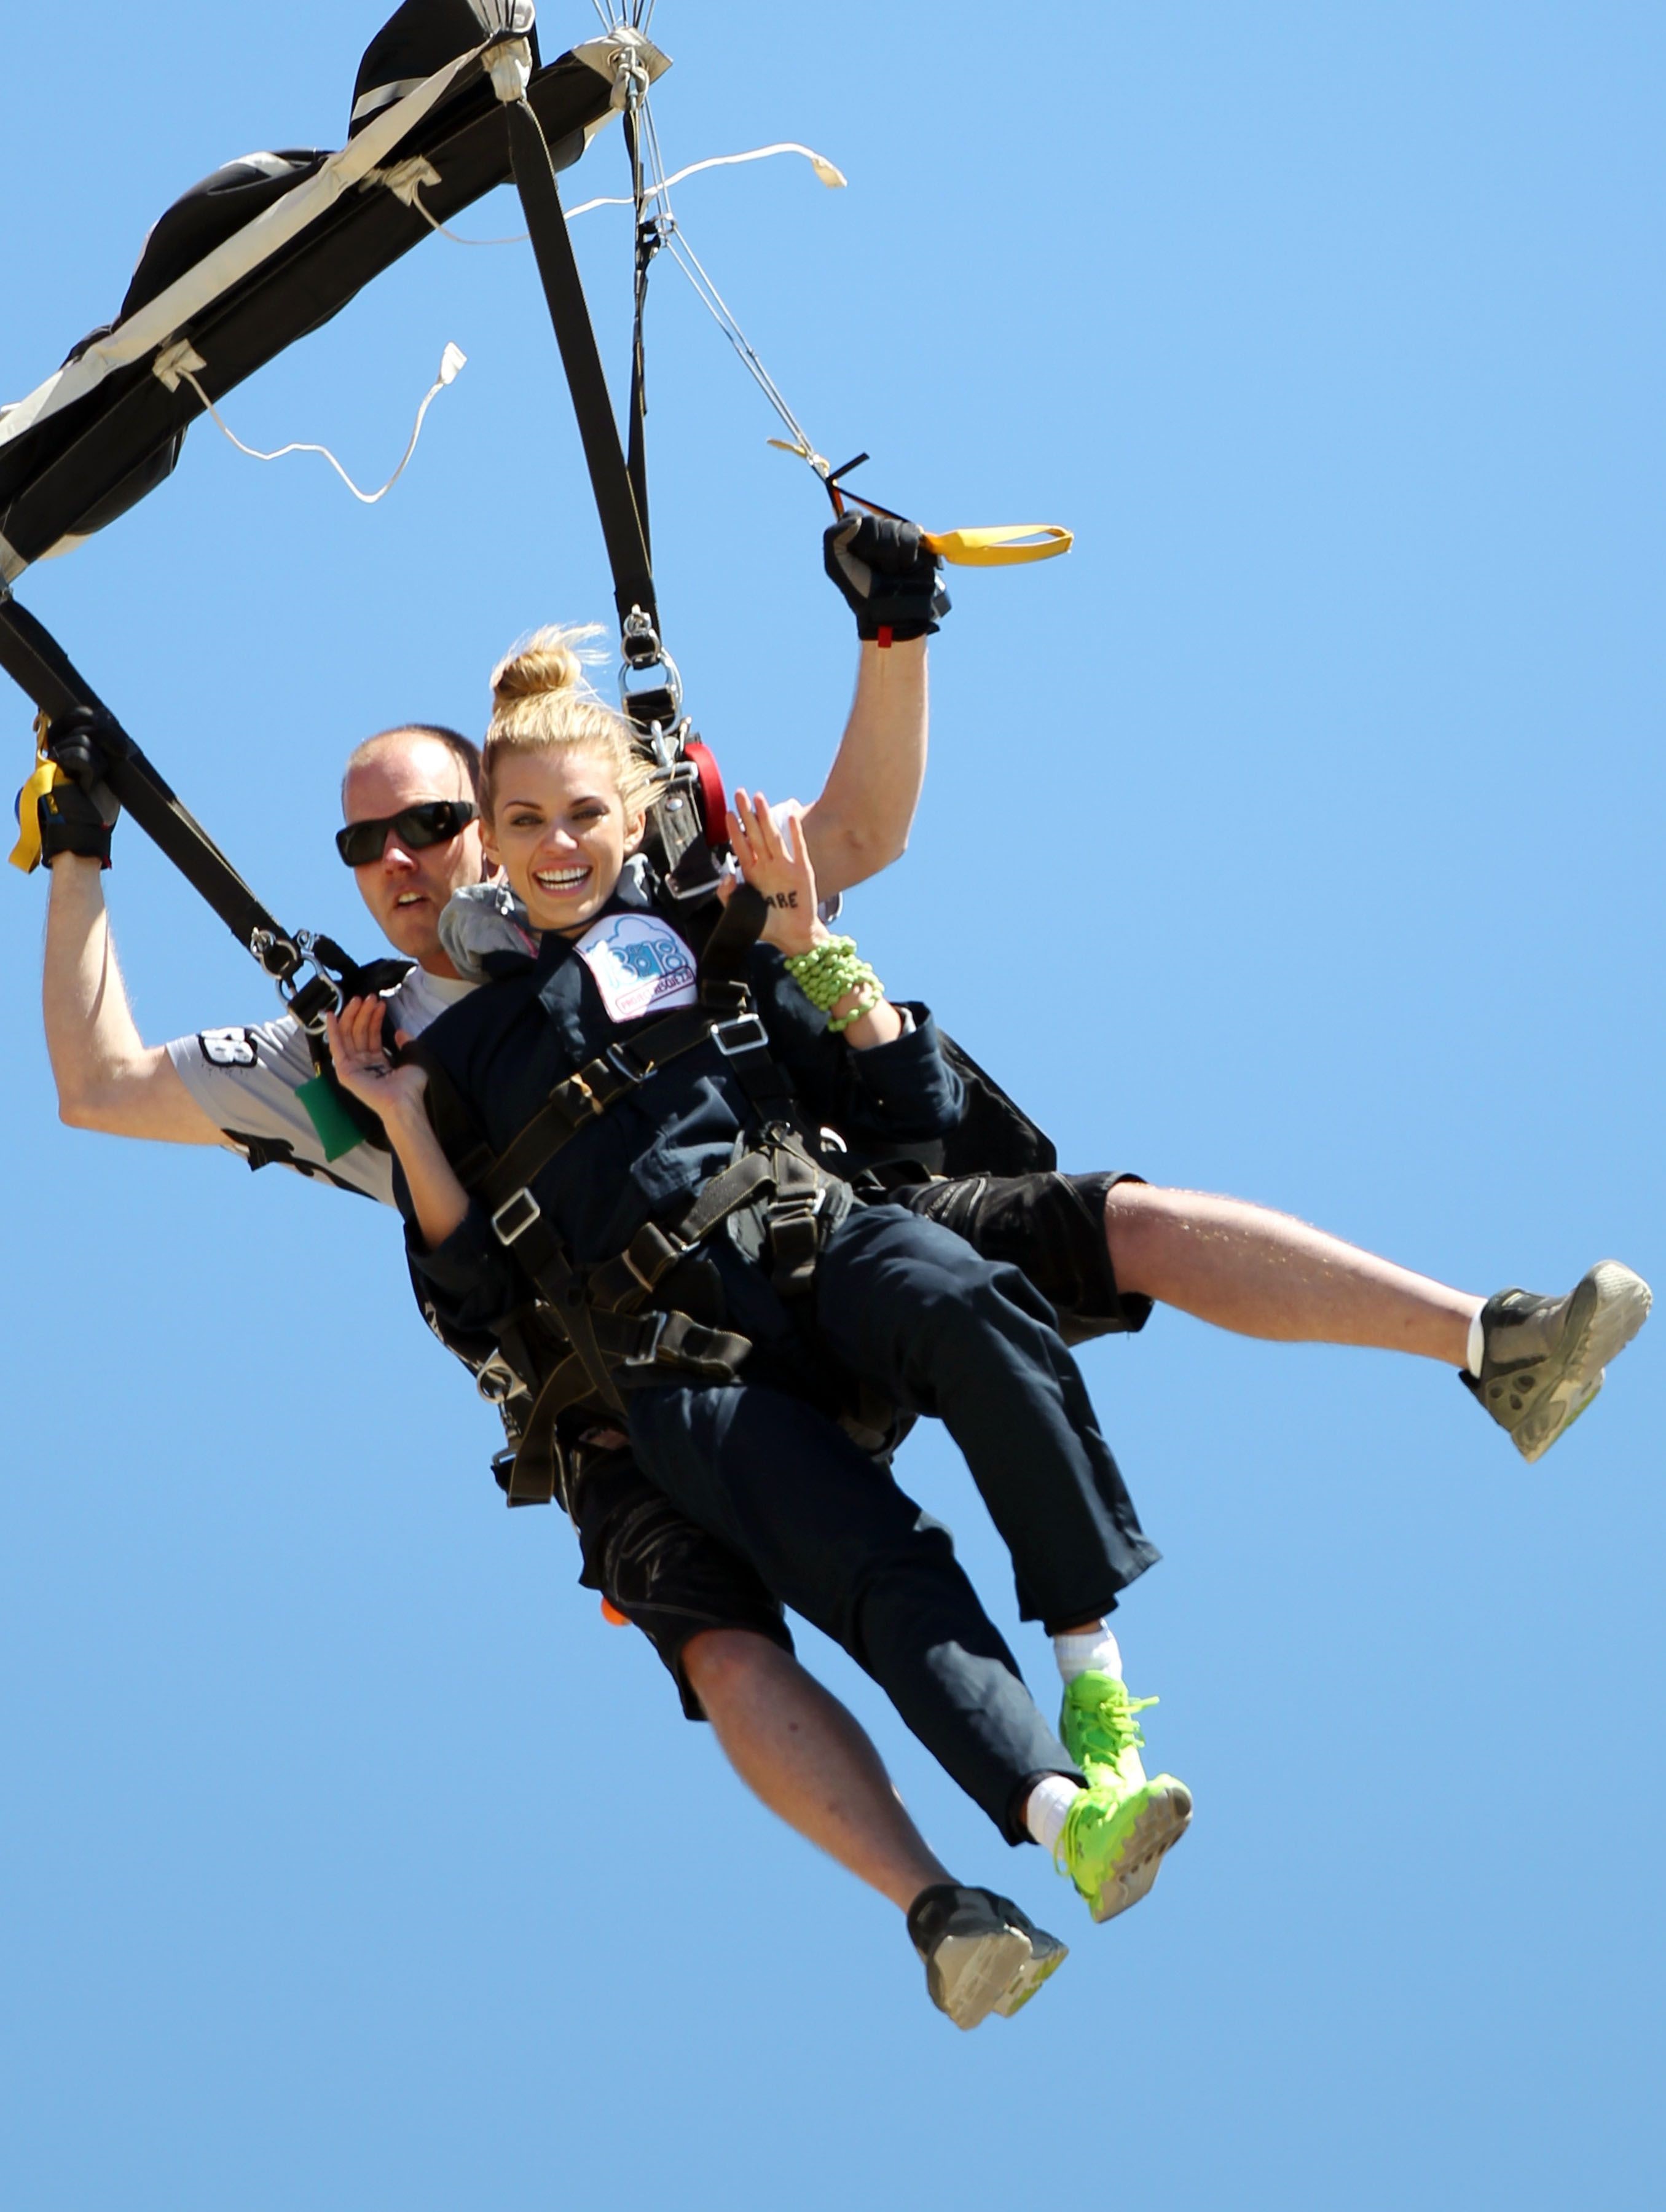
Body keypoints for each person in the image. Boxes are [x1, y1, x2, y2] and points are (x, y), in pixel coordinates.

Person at [31, 519, 1651, 2020]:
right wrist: (81, 858)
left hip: (812, 1226)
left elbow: (855, 832)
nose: (404, 858)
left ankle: (1490, 1347)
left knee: (1113, 1225)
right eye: (365, 842)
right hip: (646, 1373)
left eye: (438, 822)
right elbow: (97, 1085)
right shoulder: (359, 1052)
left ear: (514, 806)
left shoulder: (649, 885)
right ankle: (951, 1904)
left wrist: (895, 633)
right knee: (737, 1630)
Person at [326, 626, 1195, 1971]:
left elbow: (908, 1107)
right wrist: (397, 1118)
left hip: (810, 1244)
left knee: (972, 1308)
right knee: (874, 1569)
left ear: (632, 821)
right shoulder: (441, 1055)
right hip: (683, 1372)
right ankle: (1062, 1816)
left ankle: (1098, 1694)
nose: (557, 846)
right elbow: (476, 1289)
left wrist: (811, 941)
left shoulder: (693, 935)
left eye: (583, 815)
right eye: (526, 823)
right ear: (494, 845)